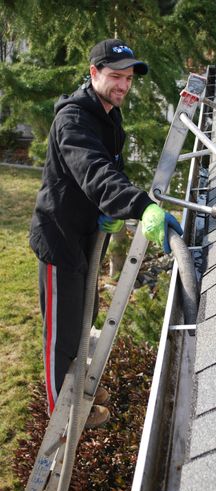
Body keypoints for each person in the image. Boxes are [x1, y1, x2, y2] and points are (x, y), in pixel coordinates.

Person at [29, 38, 182, 427]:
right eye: (116, 76)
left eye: (129, 78)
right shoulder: (74, 120)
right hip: (60, 239)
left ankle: (77, 389)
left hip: (87, 235)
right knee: (61, 336)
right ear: (94, 72)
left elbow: (110, 170)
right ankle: (59, 416)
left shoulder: (108, 113)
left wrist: (109, 209)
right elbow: (95, 172)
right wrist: (139, 205)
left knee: (85, 318)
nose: (124, 85)